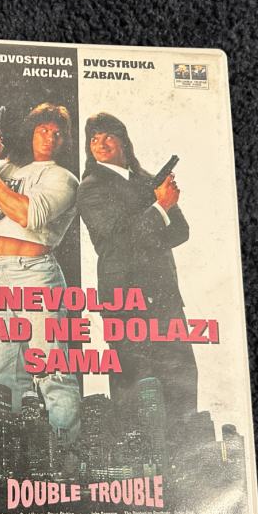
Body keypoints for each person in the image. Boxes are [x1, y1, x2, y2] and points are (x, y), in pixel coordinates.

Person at [0, 103, 81, 447]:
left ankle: (66, 457)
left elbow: (29, 215)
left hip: (37, 276)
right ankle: (19, 459)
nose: (50, 137)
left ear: (65, 141)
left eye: (57, 133)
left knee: (52, 371)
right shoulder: (5, 166)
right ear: (30, 132)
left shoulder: (63, 178)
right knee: (7, 374)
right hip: (3, 274)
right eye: (43, 130)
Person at [77, 112, 198, 423]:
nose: (100, 143)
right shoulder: (90, 188)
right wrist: (160, 207)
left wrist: (155, 215)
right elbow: (119, 240)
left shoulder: (148, 181)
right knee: (133, 391)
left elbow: (180, 232)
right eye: (94, 139)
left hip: (165, 297)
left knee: (181, 385)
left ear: (123, 141)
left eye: (107, 136)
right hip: (125, 302)